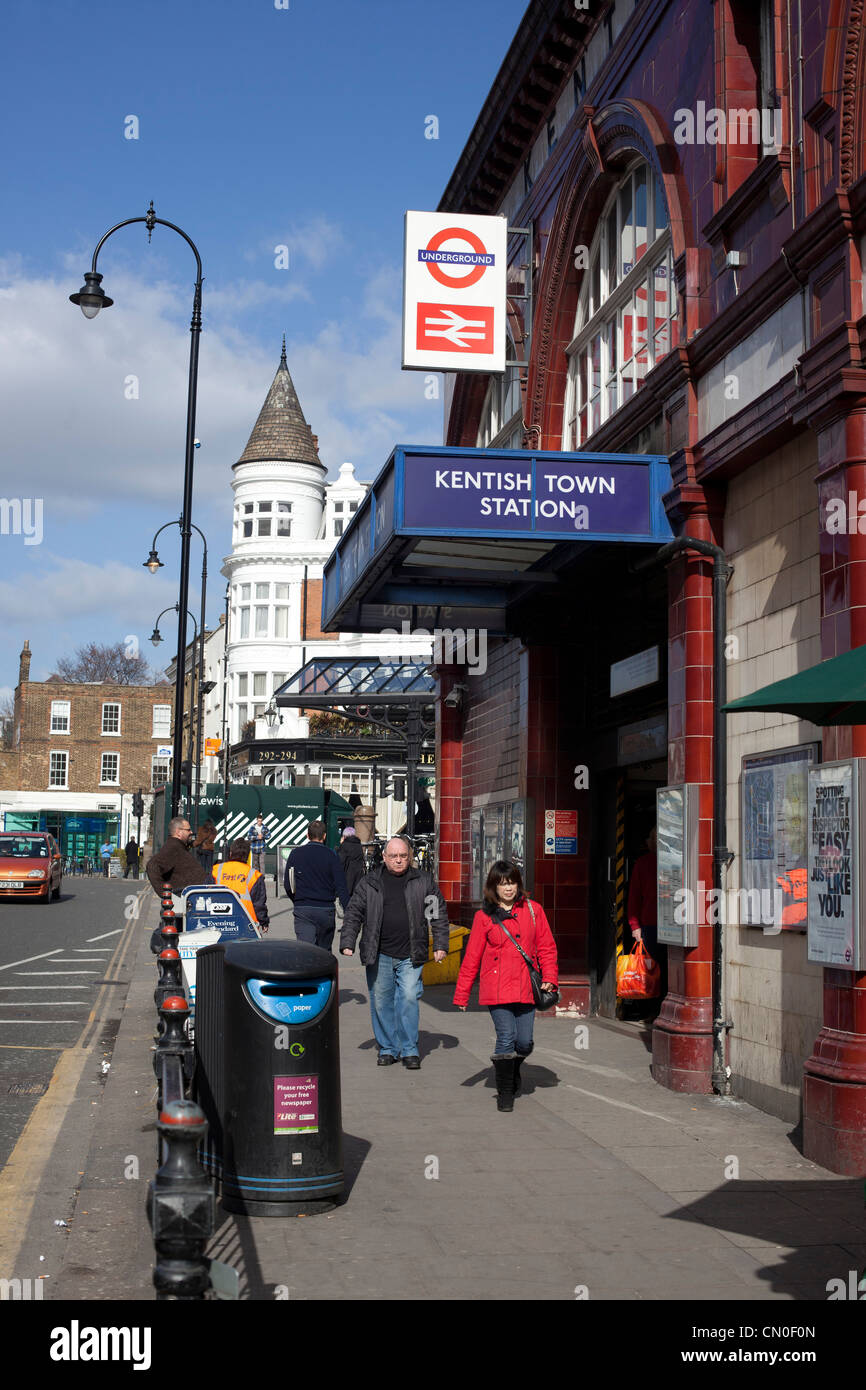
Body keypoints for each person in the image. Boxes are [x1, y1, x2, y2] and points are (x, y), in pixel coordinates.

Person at [453, 860, 558, 1113]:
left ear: (518, 884)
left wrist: (550, 978)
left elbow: (547, 947)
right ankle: (505, 1092)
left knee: (524, 1042)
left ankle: (513, 1069)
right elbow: (472, 956)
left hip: (526, 987)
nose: (508, 888)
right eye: (502, 884)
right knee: (506, 1038)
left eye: (511, 882)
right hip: (496, 988)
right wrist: (462, 994)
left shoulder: (534, 910)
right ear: (493, 887)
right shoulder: (483, 917)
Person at [341, 835, 449, 1068]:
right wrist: (348, 941)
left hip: (411, 953)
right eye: (394, 856)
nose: (399, 860)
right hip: (379, 953)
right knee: (381, 1001)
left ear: (409, 857)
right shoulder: (369, 882)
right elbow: (354, 913)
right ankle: (388, 1048)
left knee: (409, 997)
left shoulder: (424, 881)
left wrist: (440, 944)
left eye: (403, 856)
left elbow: (436, 914)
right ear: (384, 857)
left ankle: (409, 1049)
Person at [284, 820, 349, 952]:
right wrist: (349, 911)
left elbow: (288, 884)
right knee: (324, 953)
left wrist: (297, 900)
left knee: (306, 952)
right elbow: (341, 886)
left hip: (304, 908)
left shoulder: (296, 854)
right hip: (326, 910)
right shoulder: (332, 855)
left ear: (307, 835)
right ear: (324, 836)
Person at [627, 824, 666, 1017]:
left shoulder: (674, 861)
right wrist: (635, 926)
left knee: (666, 971)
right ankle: (652, 1010)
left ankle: (660, 1009)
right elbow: (634, 896)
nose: (653, 843)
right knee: (650, 972)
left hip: (673, 925)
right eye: (652, 839)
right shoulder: (643, 863)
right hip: (650, 926)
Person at [145, 816, 205, 914]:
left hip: (196, 901)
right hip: (187, 904)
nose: (191, 832)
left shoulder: (178, 846)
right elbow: (152, 866)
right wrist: (166, 895)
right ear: (178, 832)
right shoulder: (172, 847)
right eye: (188, 830)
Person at [213, 838, 269, 932]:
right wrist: (264, 922)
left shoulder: (216, 870)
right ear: (247, 856)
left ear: (230, 853)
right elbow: (259, 904)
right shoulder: (254, 875)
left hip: (217, 922)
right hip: (246, 924)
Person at [337, 826, 365, 897]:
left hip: (347, 878)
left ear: (344, 836)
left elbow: (341, 862)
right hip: (358, 878)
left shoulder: (344, 846)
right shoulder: (359, 846)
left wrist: (340, 846)